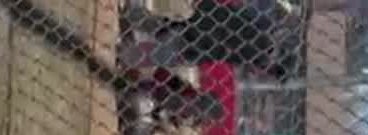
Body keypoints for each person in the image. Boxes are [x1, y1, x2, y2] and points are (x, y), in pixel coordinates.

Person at [119, 1, 303, 79]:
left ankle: (133, 16)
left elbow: (237, 12)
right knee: (167, 50)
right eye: (275, 73)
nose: (269, 74)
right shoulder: (262, 56)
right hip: (202, 42)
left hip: (208, 22)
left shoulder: (265, 34)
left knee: (168, 28)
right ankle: (125, 54)